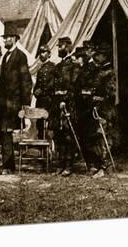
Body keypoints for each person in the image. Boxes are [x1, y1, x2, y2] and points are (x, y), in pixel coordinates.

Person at [0, 26, 32, 175]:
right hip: (3, 103)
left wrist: (25, 104)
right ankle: (7, 166)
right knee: (4, 133)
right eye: (4, 38)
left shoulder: (20, 56)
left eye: (8, 37)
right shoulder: (5, 57)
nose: (5, 40)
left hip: (13, 103)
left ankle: (8, 166)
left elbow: (26, 80)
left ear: (15, 38)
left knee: (7, 132)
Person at [88, 43, 118, 178]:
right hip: (98, 108)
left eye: (98, 55)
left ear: (104, 56)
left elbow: (111, 93)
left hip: (106, 109)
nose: (96, 57)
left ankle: (105, 167)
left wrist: (99, 98)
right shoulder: (99, 70)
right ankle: (103, 165)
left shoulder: (109, 72)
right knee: (99, 138)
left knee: (104, 137)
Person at [50, 36, 78, 177]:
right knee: (59, 135)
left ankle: (69, 165)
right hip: (57, 105)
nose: (59, 49)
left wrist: (65, 100)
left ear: (67, 47)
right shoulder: (58, 66)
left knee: (68, 136)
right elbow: (55, 86)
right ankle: (60, 164)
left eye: (61, 46)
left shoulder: (74, 66)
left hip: (68, 105)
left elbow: (74, 87)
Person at [72, 43, 96, 172]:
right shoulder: (81, 70)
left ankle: (92, 163)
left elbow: (91, 87)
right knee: (82, 135)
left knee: (88, 136)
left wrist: (84, 92)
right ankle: (87, 162)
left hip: (87, 106)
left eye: (79, 57)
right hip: (80, 106)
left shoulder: (91, 68)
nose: (77, 60)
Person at [32, 44, 55, 139]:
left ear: (49, 54)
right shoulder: (40, 68)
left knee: (49, 125)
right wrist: (35, 91)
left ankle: (49, 149)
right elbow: (37, 85)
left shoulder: (53, 67)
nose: (41, 55)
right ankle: (42, 150)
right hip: (40, 101)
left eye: (43, 52)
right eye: (40, 53)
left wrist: (43, 90)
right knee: (40, 125)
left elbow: (53, 84)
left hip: (49, 100)